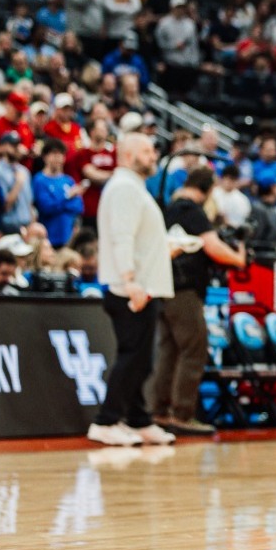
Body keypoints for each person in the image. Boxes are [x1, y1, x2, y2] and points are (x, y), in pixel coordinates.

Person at [92, 133, 179, 448]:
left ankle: (138, 420)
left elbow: (138, 239)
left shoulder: (132, 188)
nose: (153, 155)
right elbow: (121, 237)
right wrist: (130, 281)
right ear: (128, 156)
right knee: (132, 358)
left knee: (142, 359)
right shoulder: (124, 189)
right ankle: (105, 421)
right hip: (130, 288)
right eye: (145, 150)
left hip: (142, 285)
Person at [148, 164, 245, 436]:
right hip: (185, 290)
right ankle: (182, 414)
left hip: (164, 288)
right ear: (208, 189)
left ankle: (159, 411)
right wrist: (238, 257)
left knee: (169, 351)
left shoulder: (168, 210)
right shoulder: (193, 211)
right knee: (194, 349)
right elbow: (214, 247)